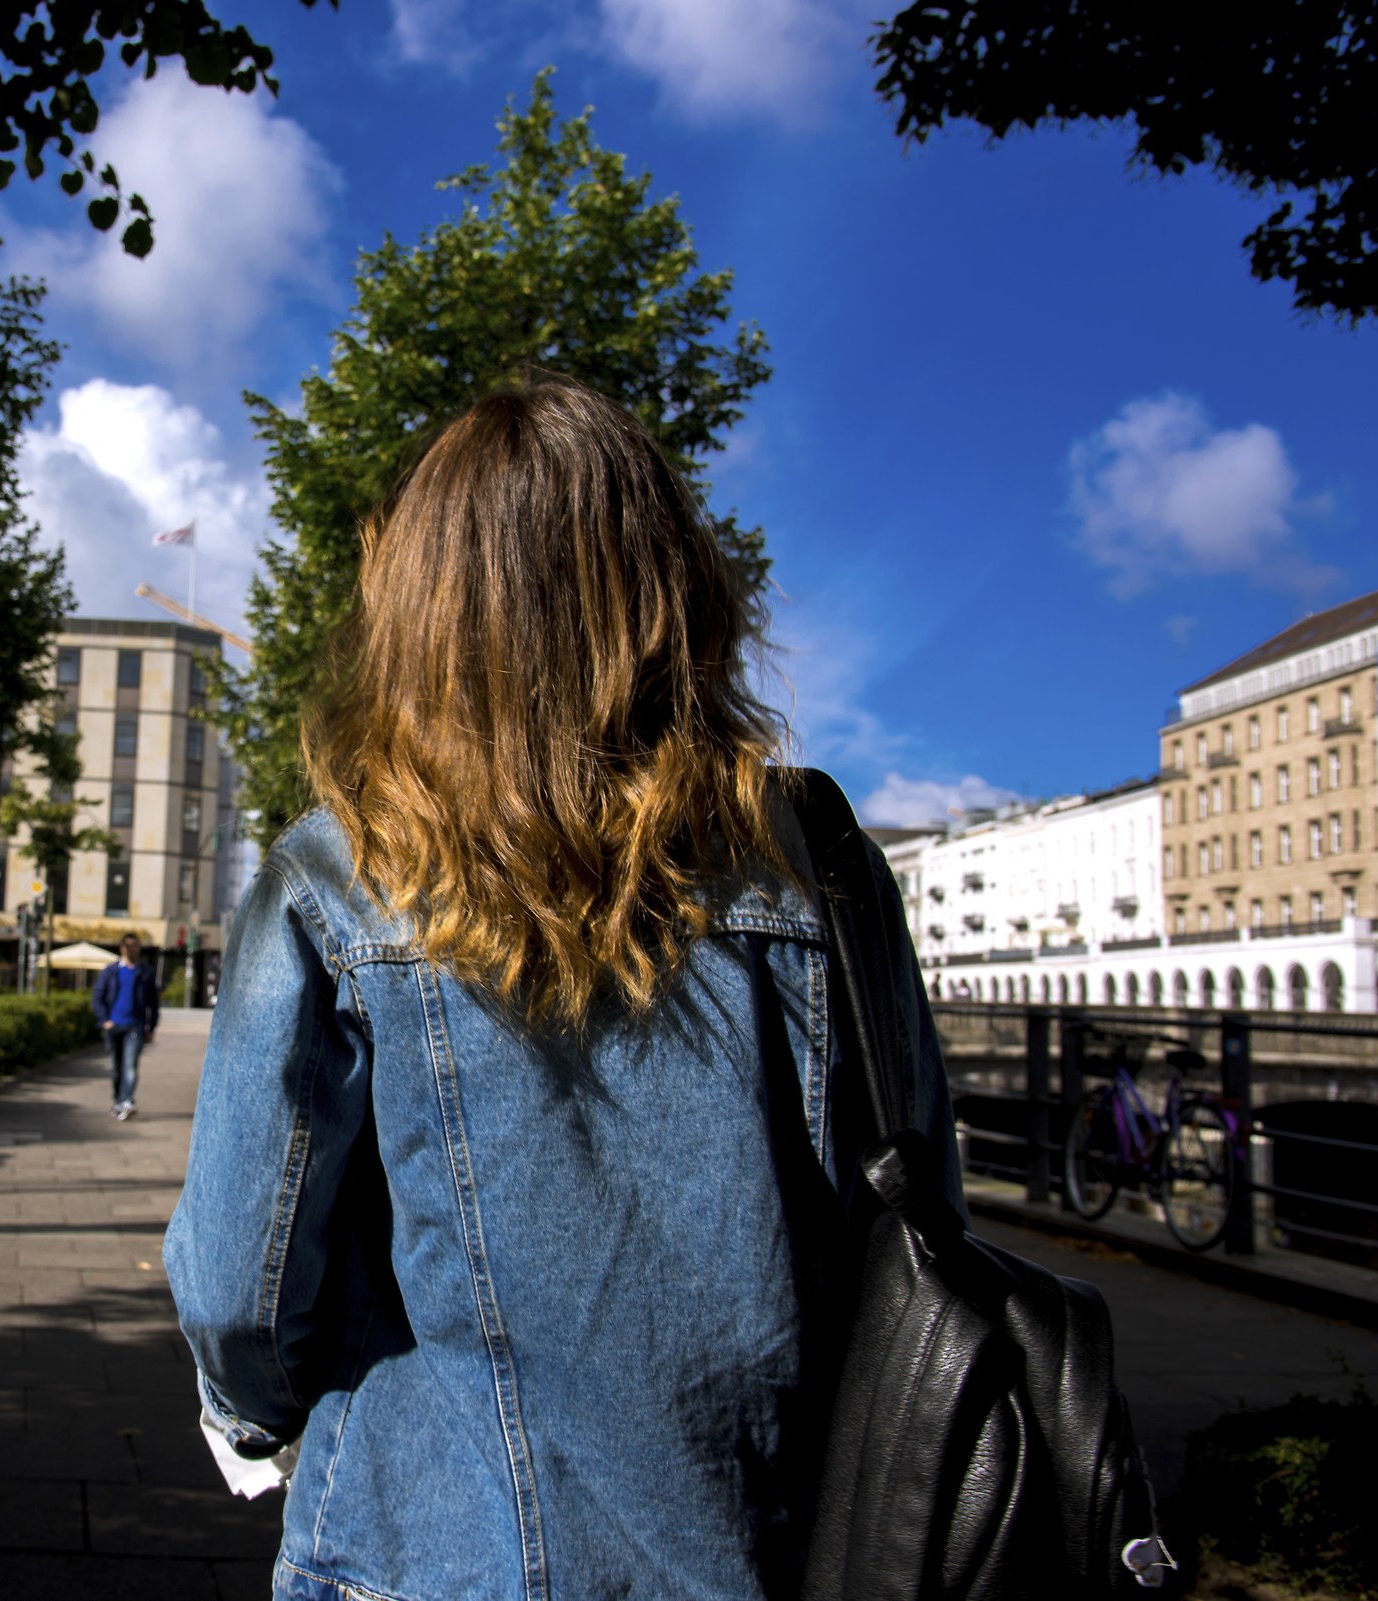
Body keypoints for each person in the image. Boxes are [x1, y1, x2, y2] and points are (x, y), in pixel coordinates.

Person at [162, 377, 962, 1600]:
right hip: (779, 1550)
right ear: (674, 591)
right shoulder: (819, 857)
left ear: (422, 615)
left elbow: (239, 1281)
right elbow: (922, 1224)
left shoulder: (341, 869)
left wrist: (258, 1423)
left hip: (421, 1548)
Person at [89, 934, 159, 1120]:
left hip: (135, 1027)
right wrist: (104, 1020)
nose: (131, 949)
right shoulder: (110, 971)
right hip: (113, 1026)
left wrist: (151, 1027)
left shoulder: (145, 973)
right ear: (121, 948)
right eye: (128, 946)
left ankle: (127, 1100)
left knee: (130, 1066)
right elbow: (97, 997)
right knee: (116, 1067)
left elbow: (154, 1001)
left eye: (135, 946)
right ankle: (118, 1101)